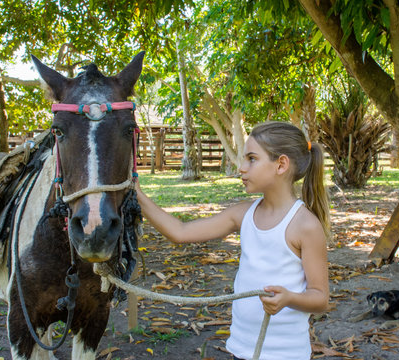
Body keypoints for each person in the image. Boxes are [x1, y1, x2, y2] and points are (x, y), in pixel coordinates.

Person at [135, 121, 330, 360]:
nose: (241, 167)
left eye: (251, 159)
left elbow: (320, 298)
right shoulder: (242, 214)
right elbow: (180, 232)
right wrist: (136, 193)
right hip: (241, 348)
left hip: (285, 354)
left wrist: (289, 298)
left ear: (280, 165)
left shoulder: (305, 226)